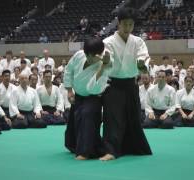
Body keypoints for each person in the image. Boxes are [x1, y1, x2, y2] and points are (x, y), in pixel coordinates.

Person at [101, 7, 152, 161]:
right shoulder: (107, 42)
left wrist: (142, 68)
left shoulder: (138, 41)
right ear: (118, 23)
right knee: (113, 118)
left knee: (134, 116)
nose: (128, 28)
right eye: (125, 24)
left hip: (131, 83)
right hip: (113, 84)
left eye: (131, 25)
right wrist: (107, 63)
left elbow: (143, 58)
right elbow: (107, 62)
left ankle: (134, 147)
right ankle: (111, 150)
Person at [64, 37, 112, 160]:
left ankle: (85, 152)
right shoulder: (79, 55)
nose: (90, 59)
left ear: (100, 54)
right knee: (74, 122)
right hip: (78, 95)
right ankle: (79, 146)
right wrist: (69, 91)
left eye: (93, 56)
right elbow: (69, 70)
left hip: (94, 97)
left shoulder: (106, 62)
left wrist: (102, 67)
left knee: (86, 115)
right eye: (88, 56)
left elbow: (94, 89)